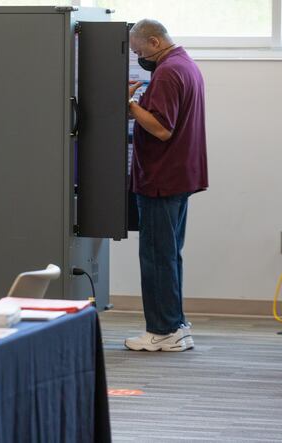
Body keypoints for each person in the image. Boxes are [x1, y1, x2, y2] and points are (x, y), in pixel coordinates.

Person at [125, 19, 208, 352]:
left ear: (155, 42)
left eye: (138, 51)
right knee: (170, 254)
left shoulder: (168, 72)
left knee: (157, 256)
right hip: (178, 176)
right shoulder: (185, 65)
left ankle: (161, 330)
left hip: (161, 179)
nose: (138, 57)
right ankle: (176, 325)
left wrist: (127, 105)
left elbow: (161, 128)